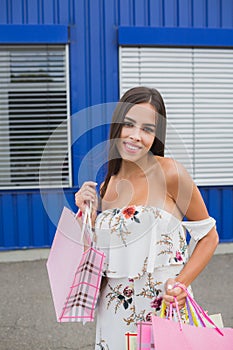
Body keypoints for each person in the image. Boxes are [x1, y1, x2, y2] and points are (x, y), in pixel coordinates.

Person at [75, 86, 219, 349]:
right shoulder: (108, 184)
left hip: (164, 306)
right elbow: (99, 263)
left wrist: (181, 284)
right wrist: (86, 220)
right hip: (114, 314)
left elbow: (209, 236)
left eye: (147, 129)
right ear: (118, 126)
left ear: (156, 135)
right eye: (129, 125)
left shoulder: (170, 173)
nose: (135, 136)